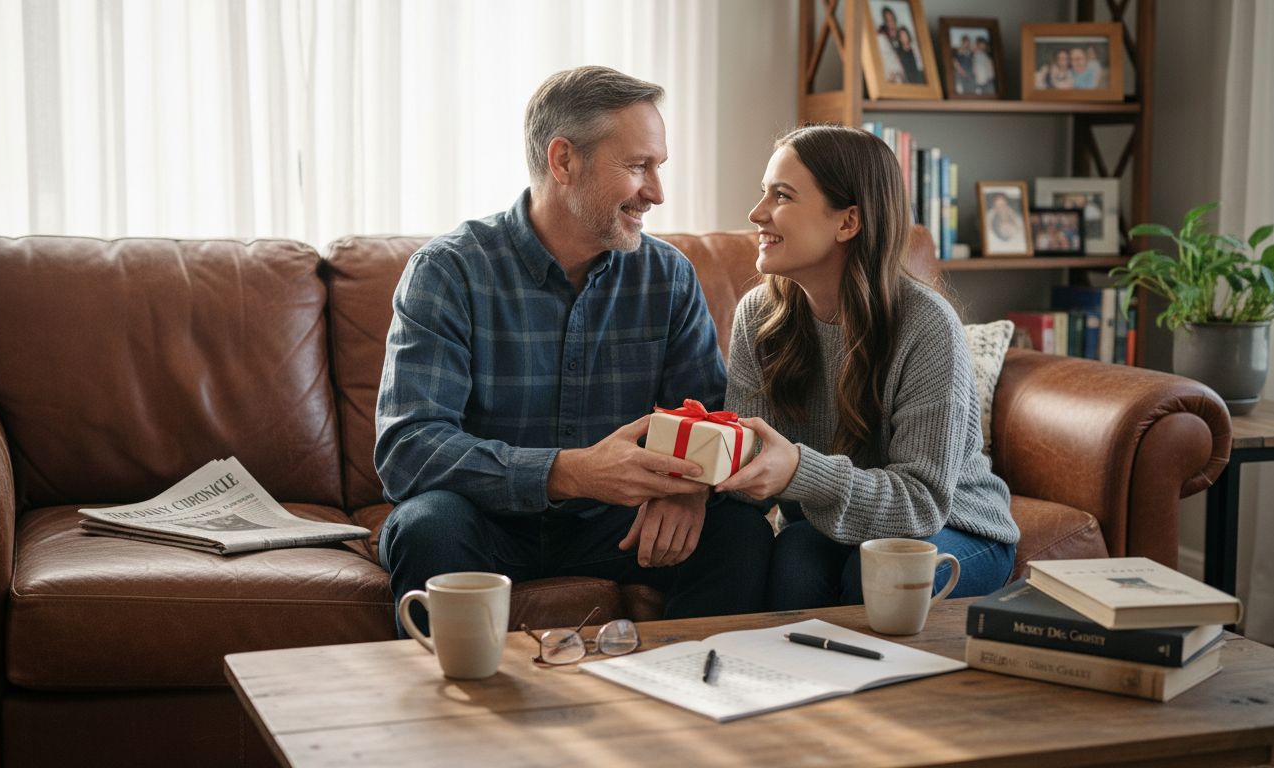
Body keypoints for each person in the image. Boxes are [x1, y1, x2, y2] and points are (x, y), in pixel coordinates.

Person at [375, 65, 773, 637]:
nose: (657, 192)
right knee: (427, 526)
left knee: (739, 532)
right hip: (485, 523)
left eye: (658, 167)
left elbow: (711, 419)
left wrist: (691, 491)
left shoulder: (667, 277)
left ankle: (686, 704)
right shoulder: (449, 272)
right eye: (639, 166)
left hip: (619, 528)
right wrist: (569, 472)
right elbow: (408, 449)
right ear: (564, 161)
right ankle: (455, 719)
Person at [716, 125, 1018, 610]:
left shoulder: (926, 325)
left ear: (848, 222)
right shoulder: (759, 315)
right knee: (791, 563)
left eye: (782, 196)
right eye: (763, 193)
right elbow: (747, 463)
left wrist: (798, 469)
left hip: (954, 524)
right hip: (827, 524)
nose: (756, 214)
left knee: (875, 572)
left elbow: (921, 503)